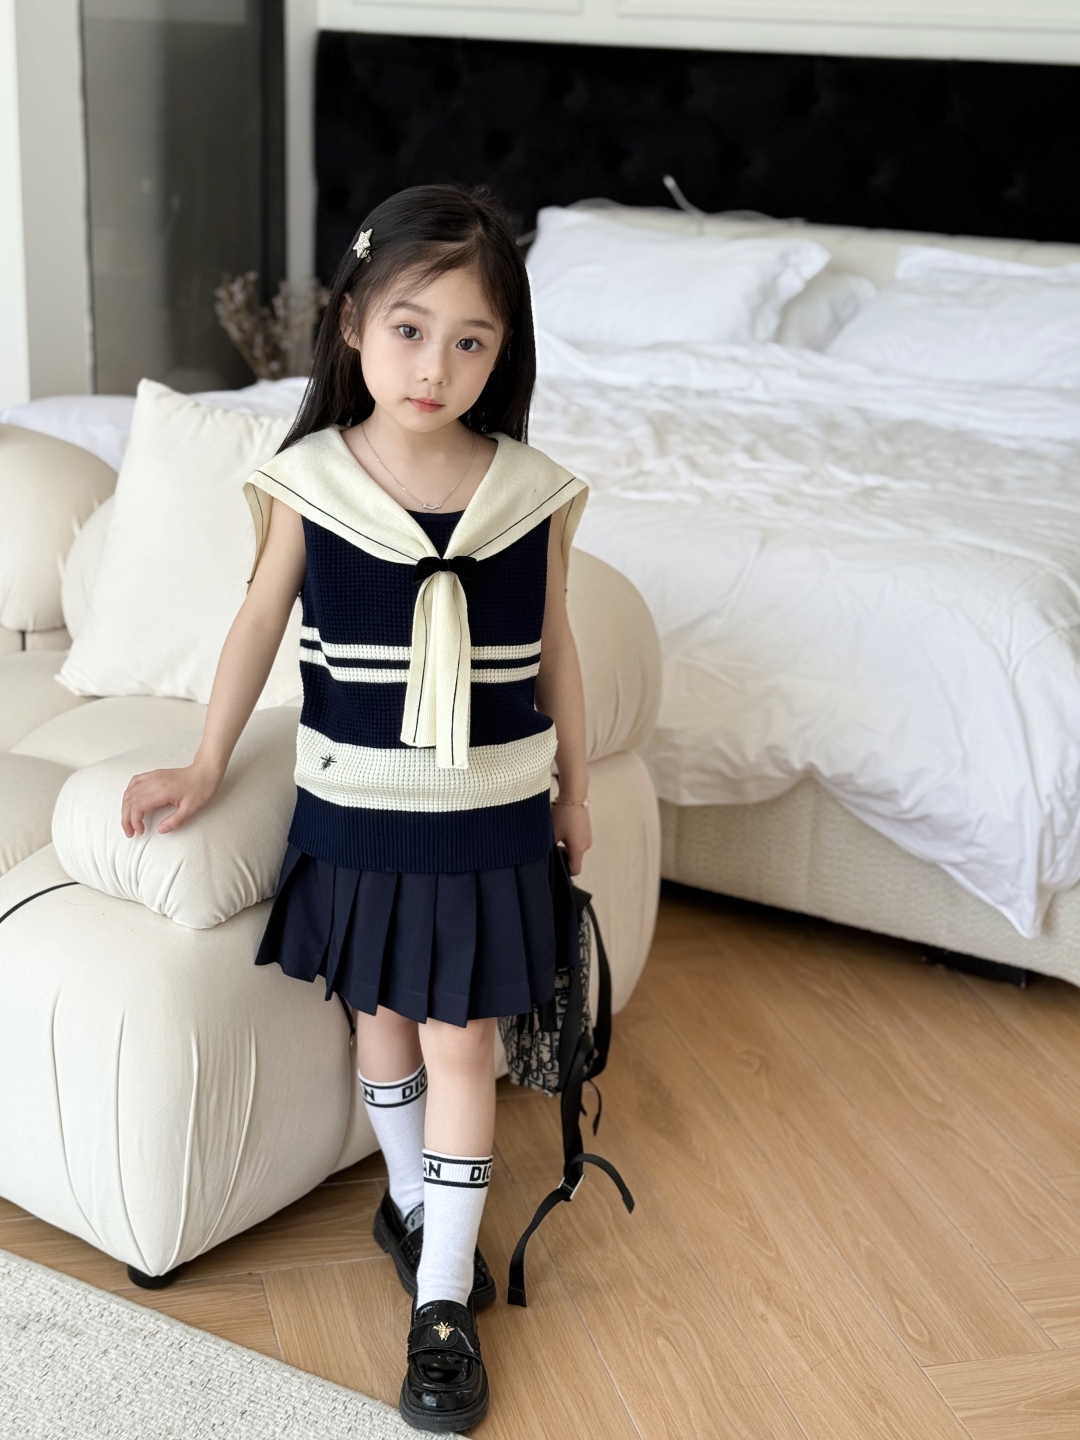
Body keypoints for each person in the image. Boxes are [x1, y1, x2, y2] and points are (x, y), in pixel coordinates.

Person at [119, 183, 591, 1433]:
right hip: (359, 806)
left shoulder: (529, 491)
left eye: (471, 340)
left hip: (488, 814)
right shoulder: (312, 481)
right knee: (378, 1018)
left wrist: (579, 792)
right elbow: (256, 623)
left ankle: (441, 1303)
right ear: (352, 326)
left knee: (463, 1042)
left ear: (504, 352)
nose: (436, 366)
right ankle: (414, 1203)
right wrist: (205, 764)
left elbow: (557, 649)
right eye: (410, 330)